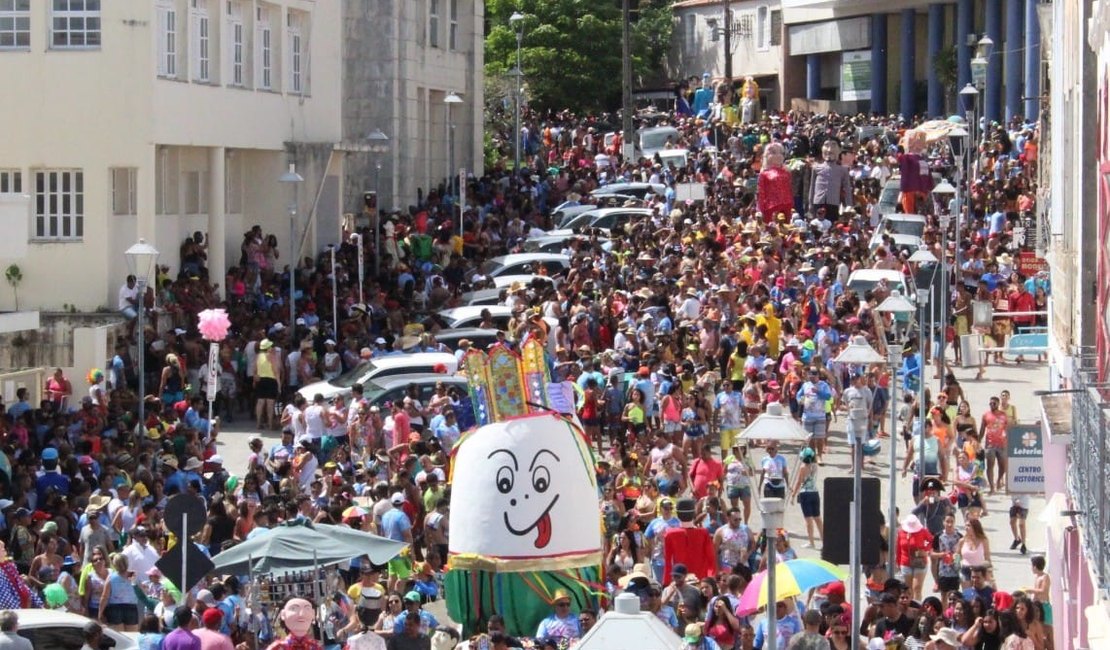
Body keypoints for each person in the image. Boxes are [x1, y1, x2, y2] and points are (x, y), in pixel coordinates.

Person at [789, 447, 823, 549]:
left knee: (808, 520)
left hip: (805, 493)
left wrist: (793, 495)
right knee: (817, 518)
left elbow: (799, 482)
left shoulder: (803, 468)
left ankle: (811, 542)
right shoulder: (815, 465)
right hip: (815, 493)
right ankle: (824, 541)